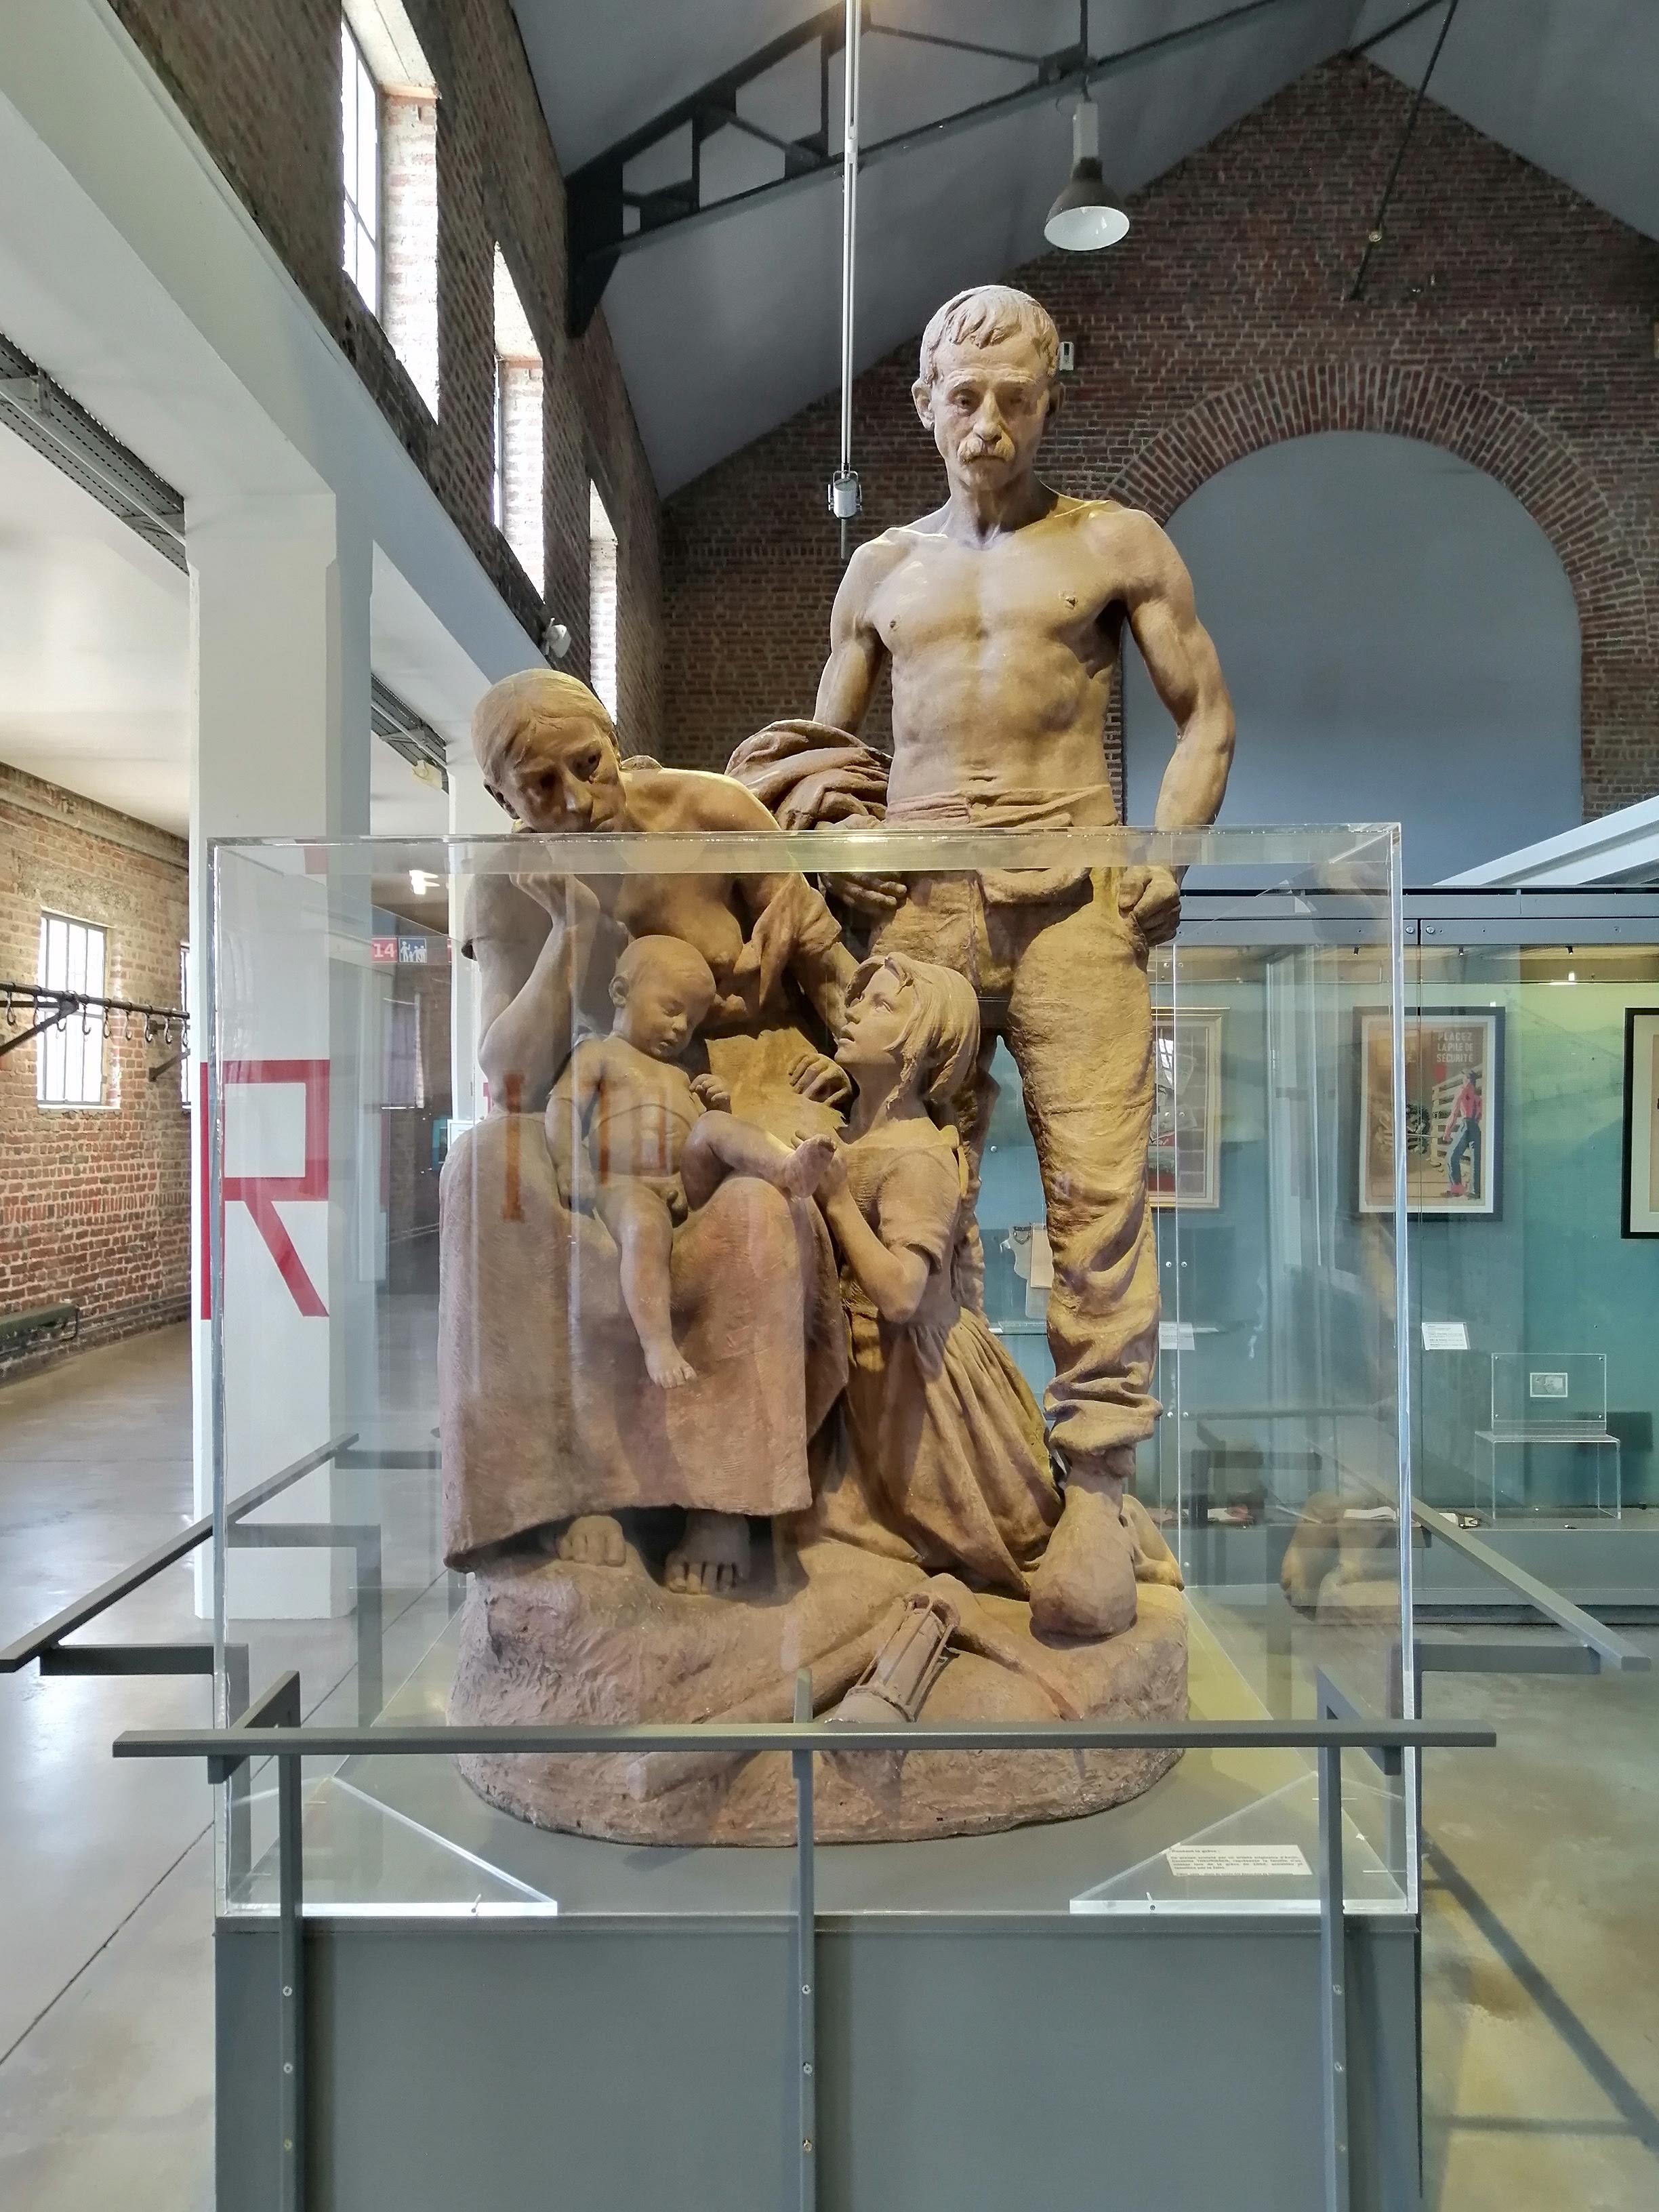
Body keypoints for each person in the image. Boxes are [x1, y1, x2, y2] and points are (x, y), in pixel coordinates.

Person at [810, 283, 1236, 1638]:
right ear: (922, 406)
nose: (987, 423)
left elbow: (1205, 714)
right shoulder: (882, 570)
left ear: (1050, 402)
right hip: (919, 907)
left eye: (1015, 398)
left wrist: (1167, 856)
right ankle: (918, 1466)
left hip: (1072, 902)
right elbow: (826, 752)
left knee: (1097, 1195)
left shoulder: (1112, 542)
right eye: (964, 398)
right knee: (897, 1184)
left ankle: (1097, 1486)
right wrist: (831, 840)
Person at [811, 953, 1063, 1596]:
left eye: (881, 1006)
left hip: (918, 1386)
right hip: (866, 1372)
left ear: (920, 1046)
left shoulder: (917, 1160)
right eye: (860, 1000)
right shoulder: (859, 1136)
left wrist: (837, 1200)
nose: (854, 1013)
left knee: (967, 1539)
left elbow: (901, 1295)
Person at [548, 935, 834, 1389]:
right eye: (671, 1009)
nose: (681, 1027)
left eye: (693, 1021)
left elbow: (697, 1131)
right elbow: (562, 1108)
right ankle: (657, 1342)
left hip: (685, 1183)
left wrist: (716, 1106)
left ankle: (785, 1167)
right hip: (623, 1185)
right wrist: (570, 1163)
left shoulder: (681, 1073)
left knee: (715, 1126)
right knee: (644, 1228)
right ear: (621, 992)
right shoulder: (598, 1054)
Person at [1442, 1070, 1483, 1199]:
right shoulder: (1478, 1098)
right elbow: (1479, 1116)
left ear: (1466, 1080)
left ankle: (1457, 1189)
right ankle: (1475, 1191)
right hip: (1475, 1127)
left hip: (1466, 1125)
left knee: (1452, 1157)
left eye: (1464, 1079)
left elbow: (1454, 1114)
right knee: (1476, 1160)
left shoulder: (1461, 1091)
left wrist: (1447, 1132)